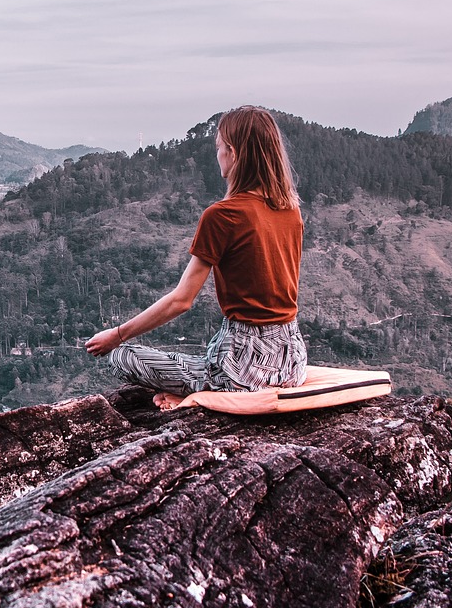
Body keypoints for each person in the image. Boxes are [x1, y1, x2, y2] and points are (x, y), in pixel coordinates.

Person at [85, 106, 307, 410]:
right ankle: (204, 388)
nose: (217, 155)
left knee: (123, 357)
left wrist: (117, 335)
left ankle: (205, 394)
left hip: (244, 370)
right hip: (292, 362)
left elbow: (181, 300)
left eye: (218, 147)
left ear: (233, 152)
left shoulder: (223, 216)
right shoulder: (290, 211)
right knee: (200, 361)